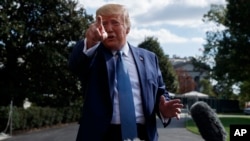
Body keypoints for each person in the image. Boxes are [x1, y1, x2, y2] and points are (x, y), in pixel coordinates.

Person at [69, 3, 183, 141]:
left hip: (143, 135)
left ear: (127, 28)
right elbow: (75, 65)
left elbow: (160, 92)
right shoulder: (92, 54)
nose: (109, 28)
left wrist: (164, 109)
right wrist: (90, 41)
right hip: (101, 136)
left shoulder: (149, 58)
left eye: (115, 23)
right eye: (103, 24)